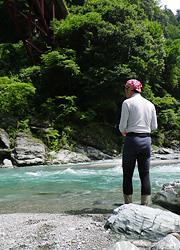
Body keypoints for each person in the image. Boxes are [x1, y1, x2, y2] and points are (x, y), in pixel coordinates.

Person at [119, 79, 158, 206]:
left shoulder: (127, 103)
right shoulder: (150, 104)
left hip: (132, 141)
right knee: (145, 174)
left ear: (129, 89)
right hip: (146, 141)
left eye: (126, 89)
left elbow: (122, 126)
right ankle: (144, 206)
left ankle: (128, 205)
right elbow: (154, 126)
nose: (125, 92)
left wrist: (125, 131)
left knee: (128, 173)